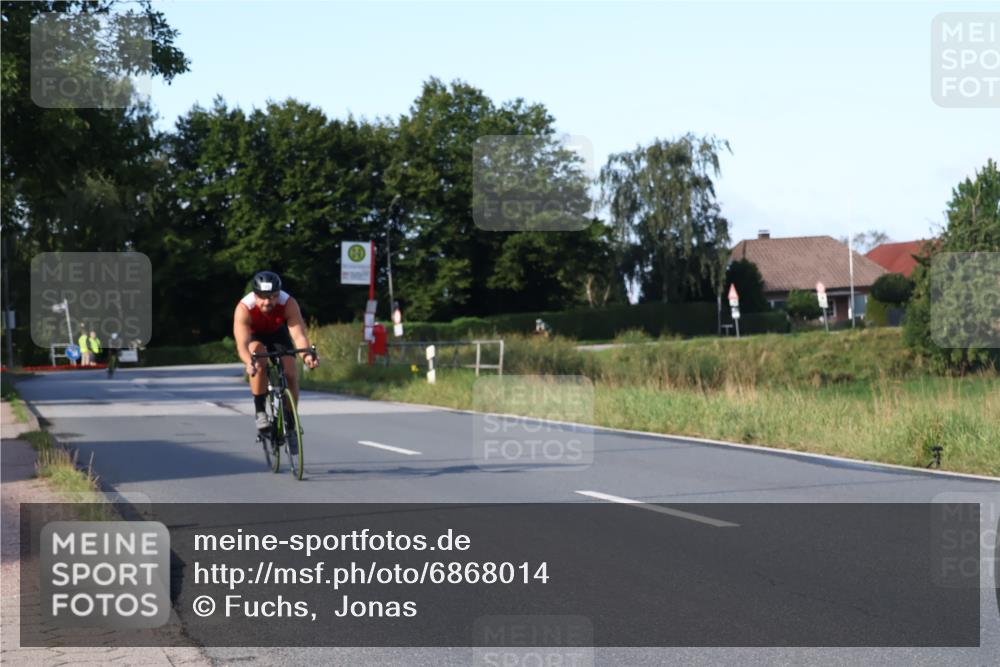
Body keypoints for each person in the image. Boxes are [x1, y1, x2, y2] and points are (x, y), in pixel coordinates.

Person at [233, 271, 318, 441]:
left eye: (272, 296)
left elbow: (299, 335)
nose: (267, 301)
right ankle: (260, 412)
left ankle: (290, 420)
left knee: (290, 373)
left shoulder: (288, 303)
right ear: (254, 295)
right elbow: (242, 344)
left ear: (278, 294)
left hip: (278, 333)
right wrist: (249, 362)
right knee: (258, 357)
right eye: (262, 297)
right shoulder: (244, 308)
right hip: (255, 335)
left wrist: (307, 355)